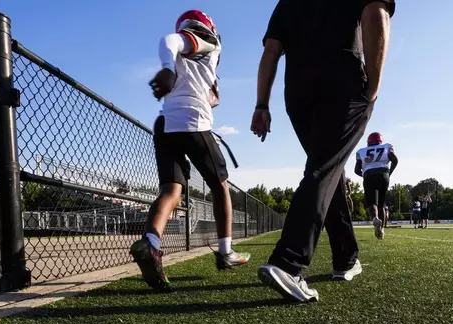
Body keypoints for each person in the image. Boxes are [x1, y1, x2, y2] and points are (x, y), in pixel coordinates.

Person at [251, 0, 395, 302]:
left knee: (329, 170)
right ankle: (288, 262)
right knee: (323, 170)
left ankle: (346, 258)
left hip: (298, 92)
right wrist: (374, 86)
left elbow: (271, 51)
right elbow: (375, 13)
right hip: (342, 83)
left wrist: (261, 105)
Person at [130, 10, 250, 292]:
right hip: (193, 122)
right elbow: (170, 40)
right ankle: (225, 251)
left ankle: (151, 244)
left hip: (166, 123)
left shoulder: (193, 57)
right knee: (220, 187)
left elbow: (203, 88)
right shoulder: (206, 40)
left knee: (171, 191)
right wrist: (168, 69)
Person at [354, 132, 398, 239]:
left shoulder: (361, 151)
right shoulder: (387, 146)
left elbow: (356, 170)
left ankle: (375, 218)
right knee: (381, 204)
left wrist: (365, 174)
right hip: (383, 174)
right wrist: (389, 173)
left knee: (372, 202)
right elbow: (395, 160)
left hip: (369, 174)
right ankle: (381, 229)